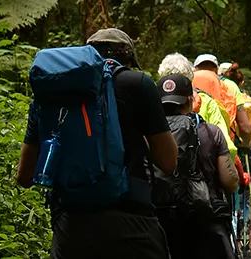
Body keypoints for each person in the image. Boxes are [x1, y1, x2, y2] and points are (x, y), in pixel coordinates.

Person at [15, 28, 178, 259]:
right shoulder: (138, 84)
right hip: (133, 222)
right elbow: (169, 162)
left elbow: (24, 176)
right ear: (128, 58)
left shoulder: (54, 89)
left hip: (73, 226)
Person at [155, 71, 240, 259]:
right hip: (204, 218)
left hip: (161, 221)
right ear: (190, 101)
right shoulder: (211, 132)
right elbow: (229, 182)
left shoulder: (149, 136)